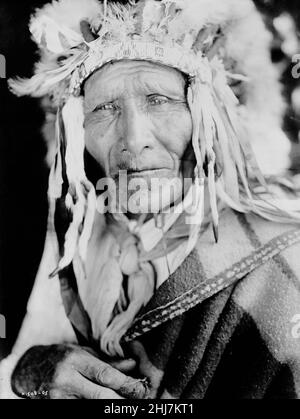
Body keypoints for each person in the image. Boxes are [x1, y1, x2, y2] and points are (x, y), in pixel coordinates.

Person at [1, 0, 300, 399]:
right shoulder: (83, 232)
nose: (133, 138)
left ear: (210, 113)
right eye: (105, 108)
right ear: (78, 126)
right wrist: (36, 368)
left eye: (159, 100)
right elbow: (22, 361)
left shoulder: (287, 260)